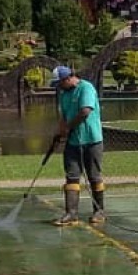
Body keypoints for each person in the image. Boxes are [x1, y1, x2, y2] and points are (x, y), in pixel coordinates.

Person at [49, 64, 105, 226]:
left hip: (92, 140)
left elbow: (85, 111)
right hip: (73, 143)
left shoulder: (86, 88)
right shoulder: (64, 94)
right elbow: (63, 116)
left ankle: (99, 211)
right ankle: (71, 213)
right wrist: (59, 133)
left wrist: (68, 128)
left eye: (60, 83)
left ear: (68, 78)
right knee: (72, 176)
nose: (59, 86)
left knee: (94, 176)